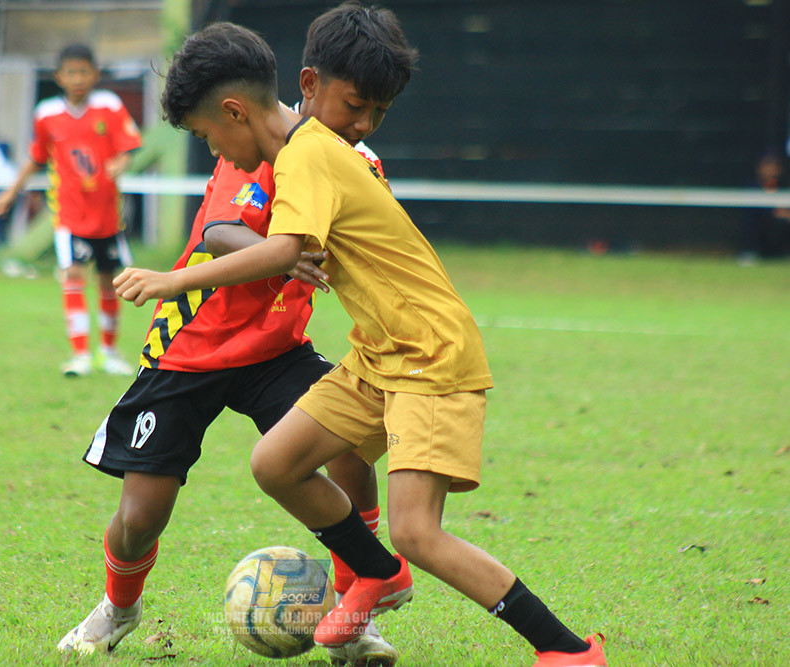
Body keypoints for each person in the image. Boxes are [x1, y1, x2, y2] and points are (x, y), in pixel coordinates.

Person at [116, 22, 608, 667]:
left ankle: (565, 651)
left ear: (234, 112)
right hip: (379, 354)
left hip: (429, 358)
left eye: (210, 136)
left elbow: (286, 249)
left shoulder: (310, 153)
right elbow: (290, 243)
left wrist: (173, 278)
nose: (217, 152)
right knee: (276, 462)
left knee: (417, 531)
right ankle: (377, 572)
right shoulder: (310, 152)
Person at [56, 5, 415, 664]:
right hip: (190, 346)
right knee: (140, 518)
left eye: (372, 111)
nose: (361, 122)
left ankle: (353, 610)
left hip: (276, 350)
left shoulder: (351, 163)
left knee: (349, 451)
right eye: (355, 105)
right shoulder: (260, 142)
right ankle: (119, 605)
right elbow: (220, 228)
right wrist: (283, 249)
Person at [0, 43, 142, 376]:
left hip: (107, 216)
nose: (78, 79)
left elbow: (129, 146)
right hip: (70, 215)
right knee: (73, 275)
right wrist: (10, 192)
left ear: (96, 74)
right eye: (71, 72)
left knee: (108, 281)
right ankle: (80, 354)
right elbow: (36, 158)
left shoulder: (109, 106)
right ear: (59, 77)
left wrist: (121, 161)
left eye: (84, 71)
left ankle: (109, 351)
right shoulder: (47, 114)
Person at [738, 149, 790, 264]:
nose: (771, 169)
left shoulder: (782, 185)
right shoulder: (751, 186)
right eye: (767, 165)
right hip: (759, 229)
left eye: (775, 166)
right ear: (759, 167)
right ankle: (750, 253)